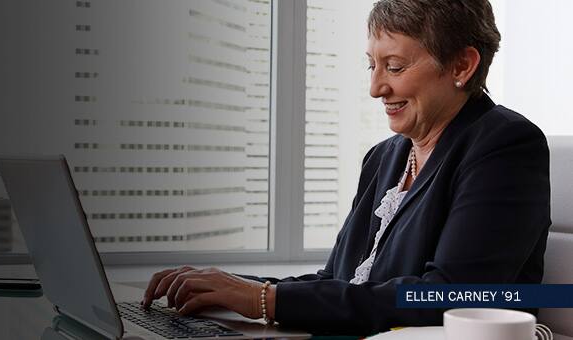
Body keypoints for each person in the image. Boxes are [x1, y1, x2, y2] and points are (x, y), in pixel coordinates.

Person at [142, 0, 551, 335]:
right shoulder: (384, 157)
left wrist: (262, 300)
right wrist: (227, 287)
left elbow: (446, 297)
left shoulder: (505, 145)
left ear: (462, 66)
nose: (376, 87)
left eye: (394, 67)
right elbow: (341, 279)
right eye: (370, 65)